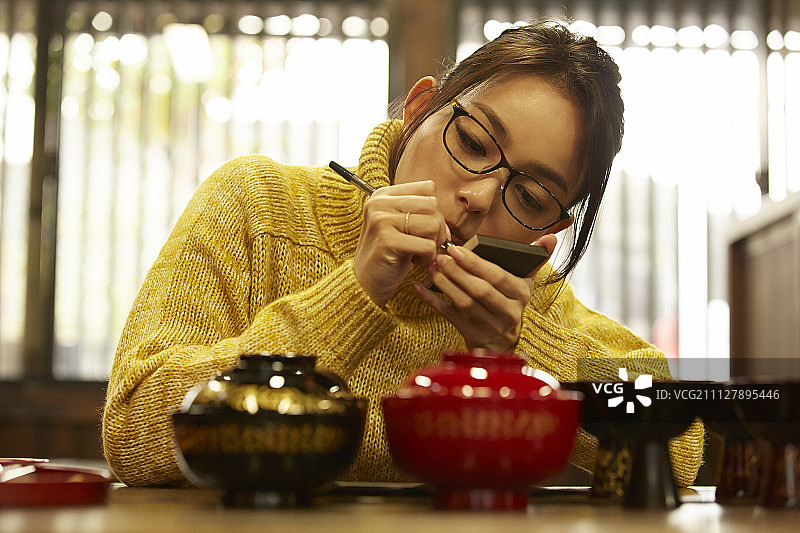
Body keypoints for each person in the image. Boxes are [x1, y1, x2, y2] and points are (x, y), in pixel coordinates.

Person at [102, 20, 704, 487]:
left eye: (531, 194)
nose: (478, 195)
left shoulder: (522, 298)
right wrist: (353, 294)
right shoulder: (260, 207)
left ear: (551, 226)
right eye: (471, 142)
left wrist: (525, 356)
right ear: (418, 110)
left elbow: (680, 447)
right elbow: (132, 430)